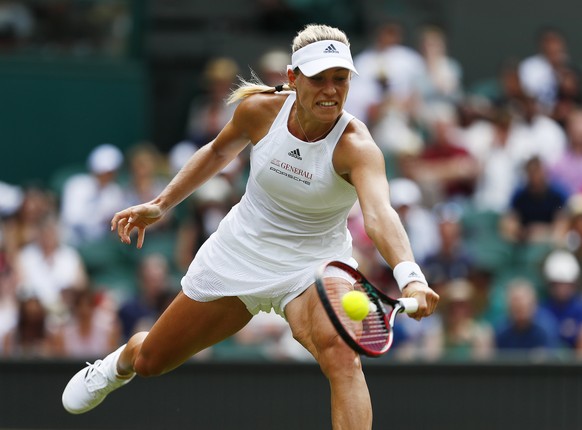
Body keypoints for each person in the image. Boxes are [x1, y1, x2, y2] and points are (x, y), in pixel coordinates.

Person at [61, 24, 439, 429]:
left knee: (343, 358)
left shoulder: (357, 147)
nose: (331, 90)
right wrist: (161, 203)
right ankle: (119, 363)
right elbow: (219, 149)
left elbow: (379, 214)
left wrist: (410, 276)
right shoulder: (260, 110)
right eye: (319, 79)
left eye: (340, 79)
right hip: (238, 255)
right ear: (293, 79)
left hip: (312, 268)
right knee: (151, 361)